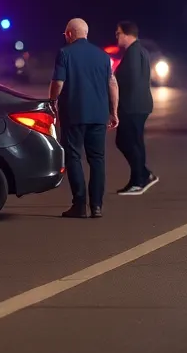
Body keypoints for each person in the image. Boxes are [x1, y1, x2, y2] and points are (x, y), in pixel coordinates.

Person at [49, 18, 117, 218]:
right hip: (98, 115)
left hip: (74, 114)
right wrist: (113, 112)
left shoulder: (64, 53)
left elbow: (58, 83)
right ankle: (97, 206)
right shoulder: (103, 56)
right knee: (97, 159)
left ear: (70, 34)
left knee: (73, 157)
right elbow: (112, 84)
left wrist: (52, 101)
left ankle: (79, 205)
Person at [113, 21, 157, 195]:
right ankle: (141, 176)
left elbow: (129, 81)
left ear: (126, 34)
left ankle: (140, 179)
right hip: (139, 105)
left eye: (118, 33)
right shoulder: (140, 51)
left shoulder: (133, 53)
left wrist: (114, 93)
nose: (116, 36)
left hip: (132, 106)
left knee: (128, 142)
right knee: (133, 142)